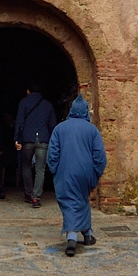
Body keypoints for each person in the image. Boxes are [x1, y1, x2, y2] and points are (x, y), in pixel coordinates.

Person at [46, 95, 107, 256]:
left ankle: (72, 236)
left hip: (65, 172)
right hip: (86, 172)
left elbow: (52, 154)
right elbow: (100, 156)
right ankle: (87, 234)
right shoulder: (92, 130)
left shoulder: (59, 129)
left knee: (69, 202)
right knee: (81, 200)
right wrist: (95, 174)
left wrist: (55, 170)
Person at [13, 81, 56, 206]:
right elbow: (52, 124)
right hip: (43, 139)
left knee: (26, 166)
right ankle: (36, 197)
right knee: (40, 169)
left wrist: (17, 139)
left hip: (28, 138)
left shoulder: (24, 102)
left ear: (28, 90)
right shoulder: (48, 105)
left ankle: (29, 193)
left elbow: (19, 122)